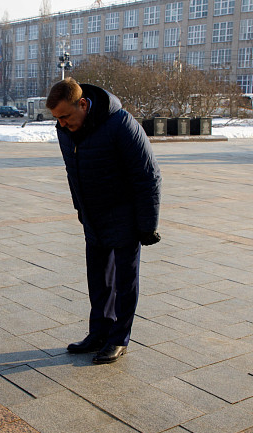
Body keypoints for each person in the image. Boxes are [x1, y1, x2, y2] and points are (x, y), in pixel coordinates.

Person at [46, 77, 161, 364]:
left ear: (83, 104)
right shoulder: (66, 130)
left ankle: (119, 338)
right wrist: (80, 210)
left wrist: (148, 225)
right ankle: (98, 332)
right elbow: (73, 171)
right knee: (98, 280)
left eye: (65, 117)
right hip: (93, 217)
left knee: (124, 281)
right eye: (57, 119)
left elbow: (148, 175)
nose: (61, 124)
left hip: (124, 216)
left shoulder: (120, 124)